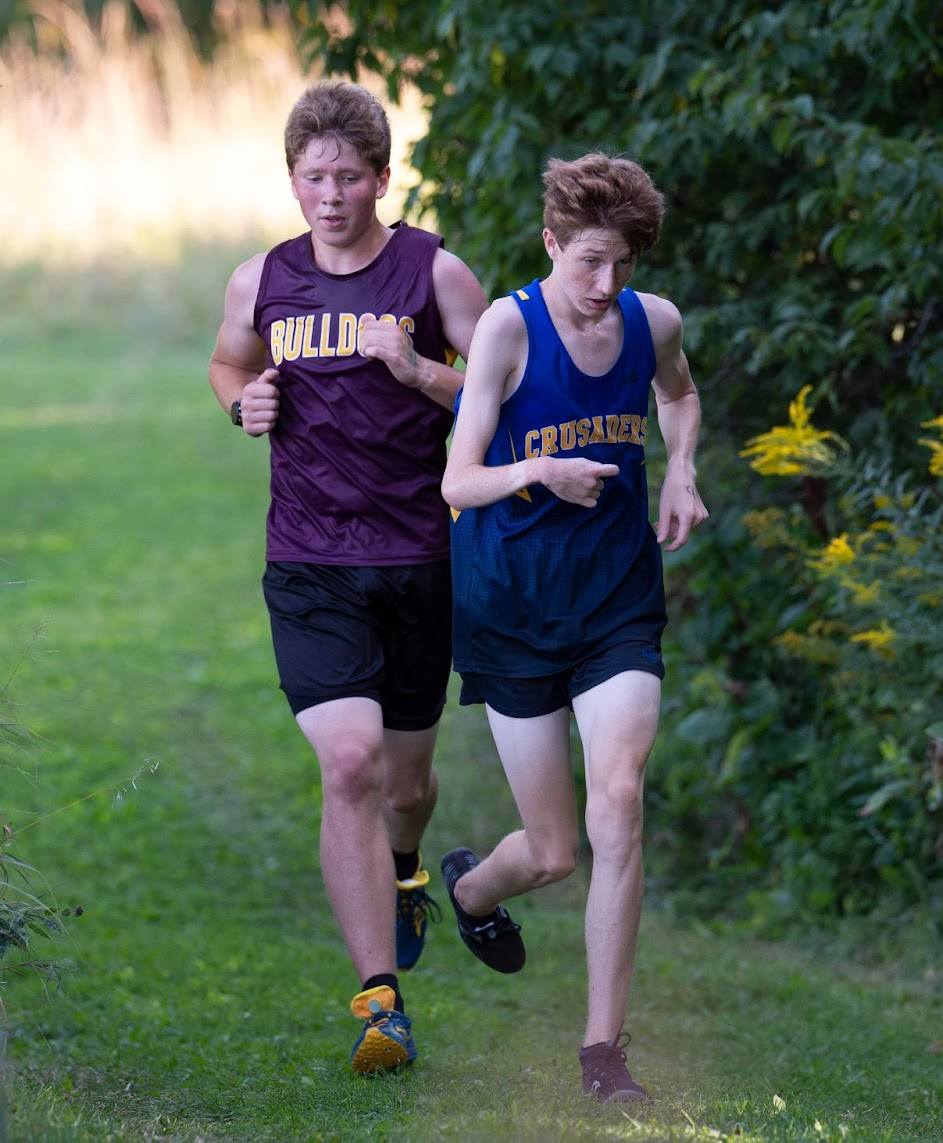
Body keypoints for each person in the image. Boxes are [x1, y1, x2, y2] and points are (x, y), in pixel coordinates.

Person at [207, 79, 488, 1073]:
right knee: (352, 764)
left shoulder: (435, 273)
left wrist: (418, 372)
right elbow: (229, 363)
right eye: (313, 177)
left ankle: (406, 865)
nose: (330, 196)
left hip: (417, 558)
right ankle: (380, 1002)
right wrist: (241, 403)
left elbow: (506, 390)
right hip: (310, 560)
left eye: (348, 178)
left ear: (380, 177)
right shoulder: (262, 279)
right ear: (293, 179)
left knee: (406, 784)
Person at [438, 152, 707, 1104]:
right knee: (554, 852)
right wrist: (536, 472)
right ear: (551, 243)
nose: (606, 283)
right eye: (590, 260)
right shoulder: (508, 328)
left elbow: (679, 393)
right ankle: (471, 890)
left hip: (614, 600)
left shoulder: (654, 321)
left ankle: (603, 1055)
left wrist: (680, 469)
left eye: (623, 263)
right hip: (511, 604)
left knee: (619, 801)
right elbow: (457, 480)